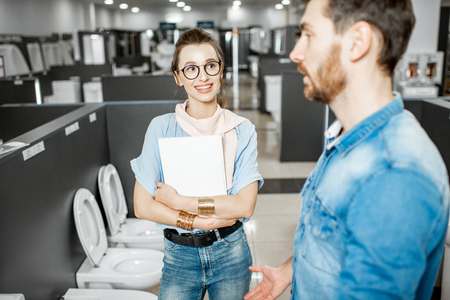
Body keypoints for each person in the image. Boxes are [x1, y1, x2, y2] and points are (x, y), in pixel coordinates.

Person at [245, 0, 450, 299]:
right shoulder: (349, 138)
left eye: (309, 35)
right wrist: (290, 270)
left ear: (357, 42)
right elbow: (336, 237)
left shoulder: (394, 174)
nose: (295, 53)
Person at [131, 28, 264, 300]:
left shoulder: (242, 130)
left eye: (210, 66)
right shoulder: (161, 128)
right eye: (190, 68)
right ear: (178, 77)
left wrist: (180, 202)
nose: (202, 77)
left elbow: (244, 205)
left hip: (231, 251)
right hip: (179, 255)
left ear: (221, 70)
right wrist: (196, 223)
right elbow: (143, 206)